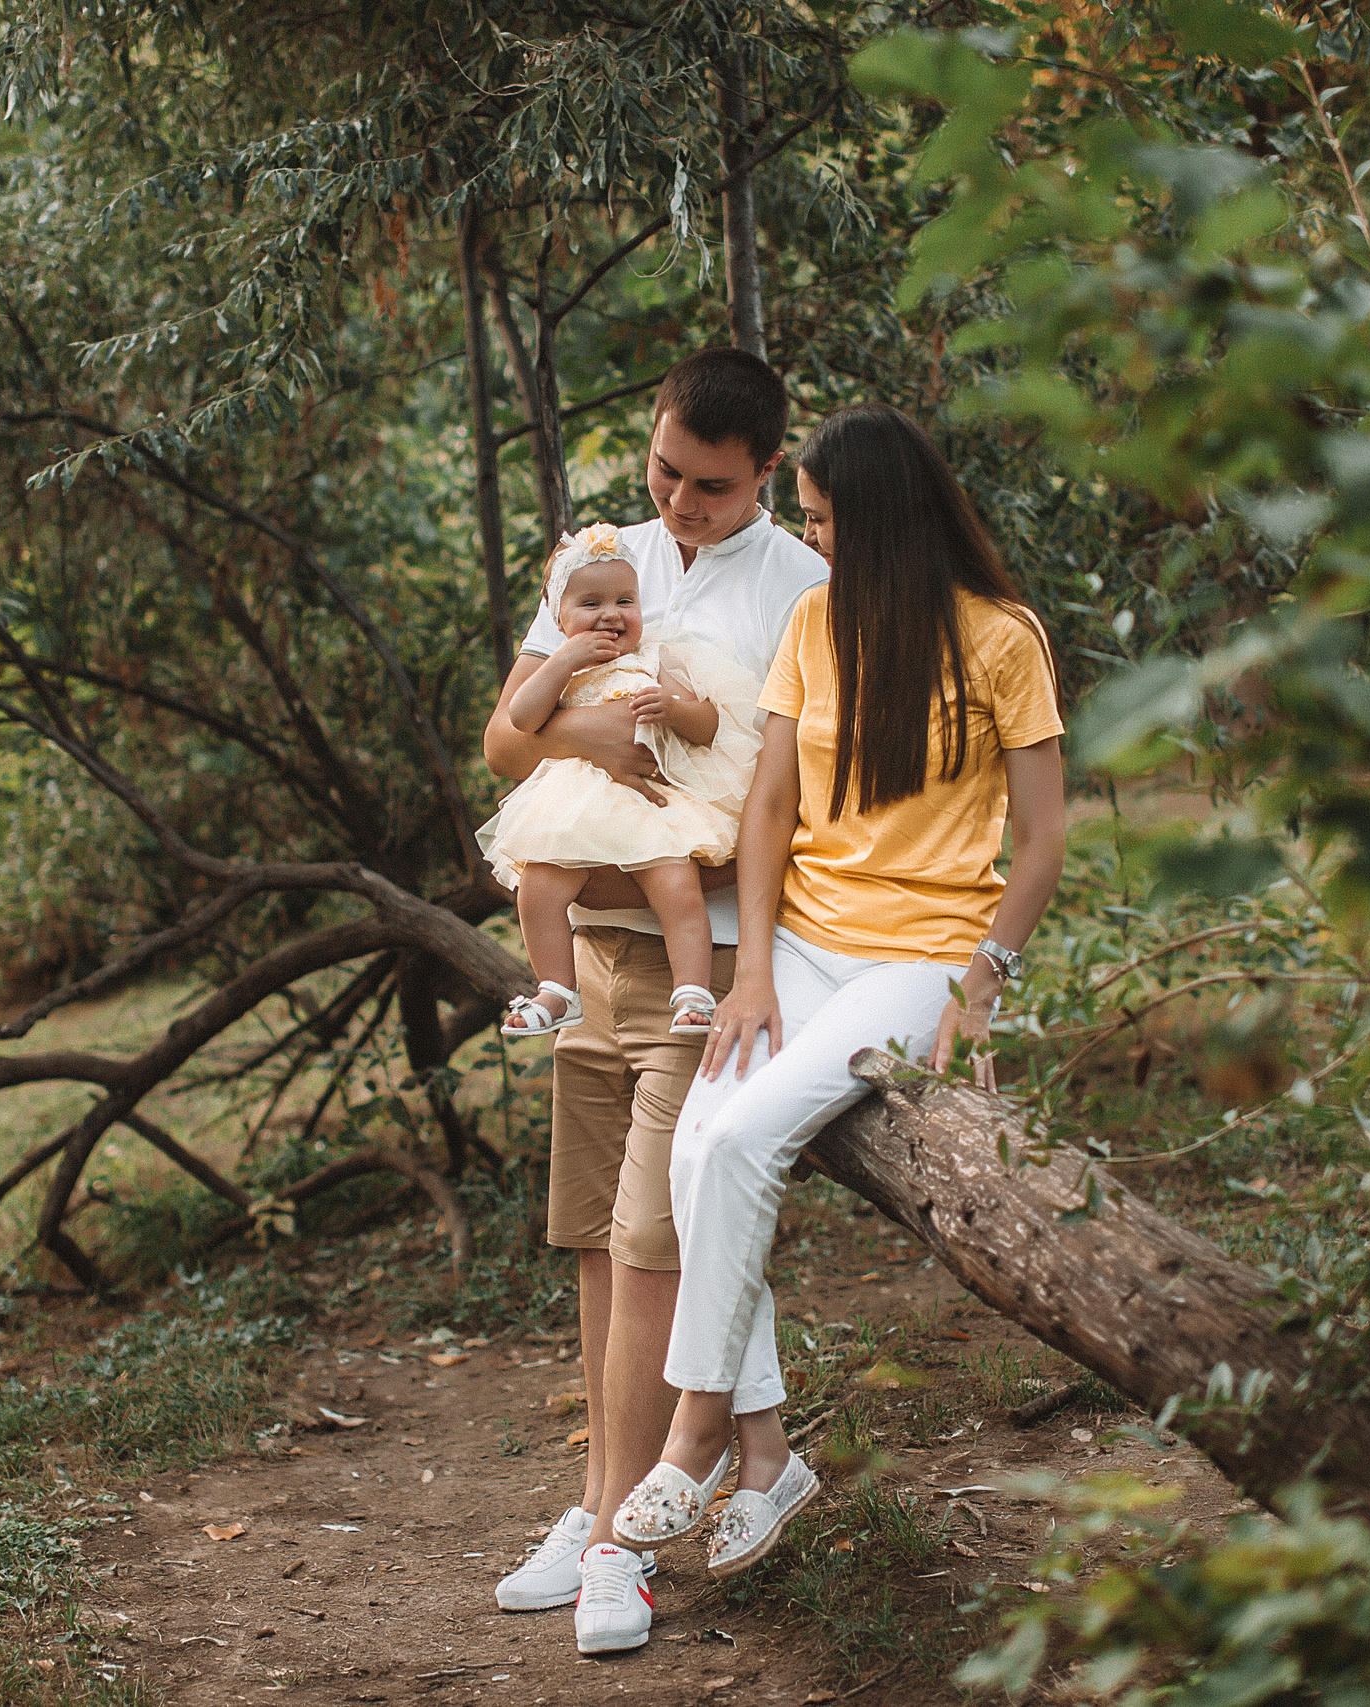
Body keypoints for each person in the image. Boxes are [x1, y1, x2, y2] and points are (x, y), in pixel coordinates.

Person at [610, 403, 1067, 1580]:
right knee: (696, 1143)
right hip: (803, 947)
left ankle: (697, 1430)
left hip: (918, 960)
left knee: (748, 1136)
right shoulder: (814, 623)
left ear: (885, 523)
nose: (808, 542)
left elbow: (1044, 839)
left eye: (820, 520)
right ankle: (767, 1456)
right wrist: (750, 965)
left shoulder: (1004, 638)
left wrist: (982, 987)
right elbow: (769, 808)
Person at [479, 348, 828, 1654]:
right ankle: (598, 1496)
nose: (679, 503)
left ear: (768, 475)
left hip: (712, 962)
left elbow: (802, 798)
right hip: (595, 945)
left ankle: (619, 1537)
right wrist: (603, 732)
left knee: (650, 1249)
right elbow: (510, 741)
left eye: (712, 486)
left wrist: (756, 972)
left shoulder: (806, 589)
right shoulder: (605, 549)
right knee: (591, 1243)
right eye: (666, 469)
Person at [476, 525, 764, 1042]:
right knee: (539, 887)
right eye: (590, 604)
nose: (611, 614)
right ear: (559, 619)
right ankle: (556, 989)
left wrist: (673, 711)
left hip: (652, 804)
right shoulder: (562, 670)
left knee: (676, 886)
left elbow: (709, 724)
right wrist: (564, 660)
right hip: (576, 805)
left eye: (624, 600)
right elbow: (520, 718)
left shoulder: (653, 658)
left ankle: (692, 992)